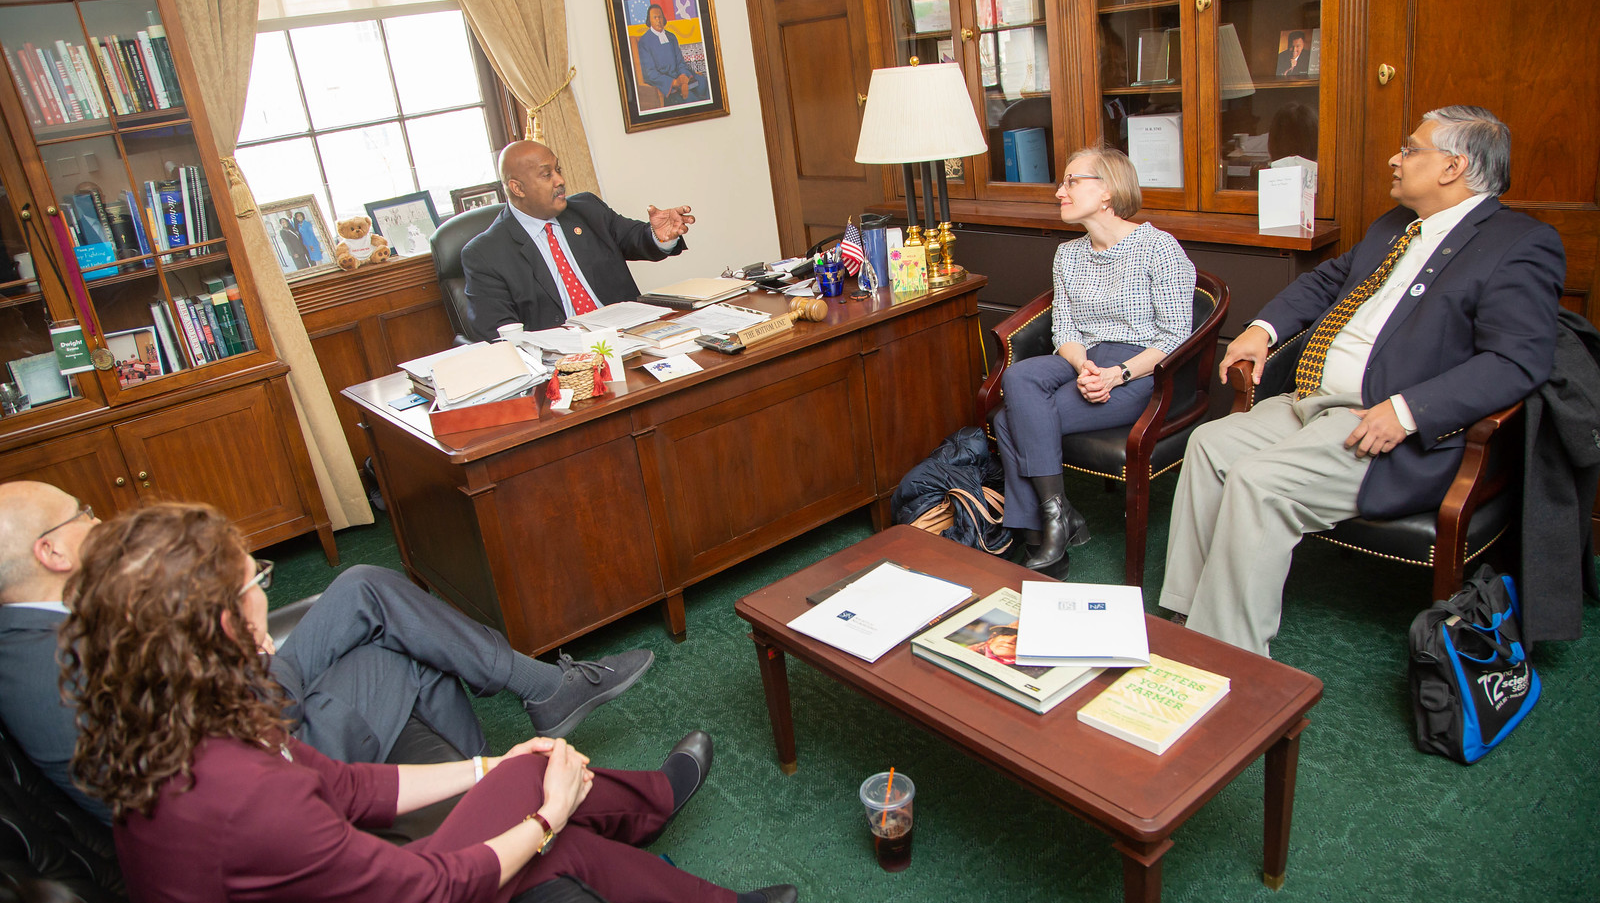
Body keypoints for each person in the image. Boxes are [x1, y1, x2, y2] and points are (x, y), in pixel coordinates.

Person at [59, 503, 798, 903]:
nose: (263, 589)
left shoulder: (181, 719)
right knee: (548, 836)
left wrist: (489, 765)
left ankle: (657, 821)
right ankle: (652, 811)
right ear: (223, 622)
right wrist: (542, 817)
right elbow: (427, 887)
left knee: (520, 773)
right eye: (254, 578)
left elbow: (347, 784)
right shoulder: (242, 795)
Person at [1159, 105, 1564, 657]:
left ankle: (1227, 657)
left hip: (1384, 425)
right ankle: (1184, 614)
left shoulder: (1517, 244)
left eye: (1412, 149)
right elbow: (1326, 281)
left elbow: (1518, 361)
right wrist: (1261, 328)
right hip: (1312, 401)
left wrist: (1408, 410)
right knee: (1208, 443)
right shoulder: (1393, 226)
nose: (1395, 159)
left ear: (1453, 166)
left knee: (1258, 481)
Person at [0, 480, 653, 822]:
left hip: (229, 706)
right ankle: (518, 750)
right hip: (242, 746)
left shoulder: (42, 626)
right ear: (52, 551)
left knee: (365, 587)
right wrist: (242, 661)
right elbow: (172, 769)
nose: (97, 518)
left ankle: (529, 713)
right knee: (403, 651)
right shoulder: (39, 668)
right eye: (81, 511)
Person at [992, 147, 1195, 575]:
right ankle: (1058, 516)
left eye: (1071, 181)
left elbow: (1177, 335)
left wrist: (1117, 375)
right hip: (1082, 357)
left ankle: (1042, 530)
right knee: (1021, 377)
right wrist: (1084, 365)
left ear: (1106, 191)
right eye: (1062, 182)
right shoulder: (1068, 254)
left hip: (1140, 368)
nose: (1059, 192)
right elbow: (1064, 330)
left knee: (1007, 422)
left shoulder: (1159, 248)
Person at [460, 140, 694, 340]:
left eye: (558, 169)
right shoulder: (485, 254)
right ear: (517, 188)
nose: (560, 180)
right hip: (565, 364)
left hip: (632, 337)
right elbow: (498, 335)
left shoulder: (587, 210)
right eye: (547, 174)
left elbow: (634, 238)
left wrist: (658, 236)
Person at [637, 4, 708, 107]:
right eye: (655, 17)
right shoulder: (644, 41)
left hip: (681, 76)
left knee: (703, 82)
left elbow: (680, 62)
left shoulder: (671, 37)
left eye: (660, 17)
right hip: (667, 83)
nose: (658, 20)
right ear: (649, 20)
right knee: (691, 99)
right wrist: (675, 82)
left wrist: (683, 77)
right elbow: (650, 73)